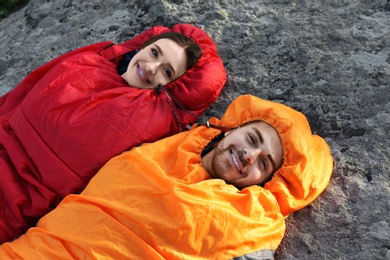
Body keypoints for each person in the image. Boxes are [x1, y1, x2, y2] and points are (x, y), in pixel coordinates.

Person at [0, 95, 333, 259]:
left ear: (267, 183)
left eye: (265, 163)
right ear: (233, 127)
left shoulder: (247, 221)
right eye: (252, 139)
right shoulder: (167, 145)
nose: (250, 155)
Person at [0, 24, 226, 243]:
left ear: (172, 85)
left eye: (167, 71)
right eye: (154, 52)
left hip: (17, 203)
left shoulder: (152, 119)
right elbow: (21, 96)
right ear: (142, 47)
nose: (151, 67)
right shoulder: (93, 60)